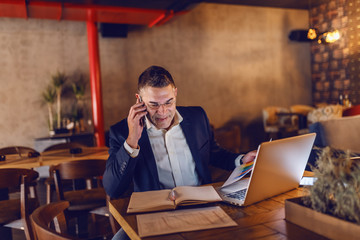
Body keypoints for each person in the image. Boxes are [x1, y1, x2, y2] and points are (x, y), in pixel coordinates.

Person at [103, 66, 256, 239]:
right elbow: (113, 189)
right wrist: (132, 140)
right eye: (153, 104)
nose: (162, 112)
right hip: (154, 215)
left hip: (204, 207)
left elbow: (213, 153)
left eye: (168, 102)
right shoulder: (122, 131)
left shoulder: (197, 117)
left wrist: (242, 159)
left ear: (175, 93)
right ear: (139, 100)